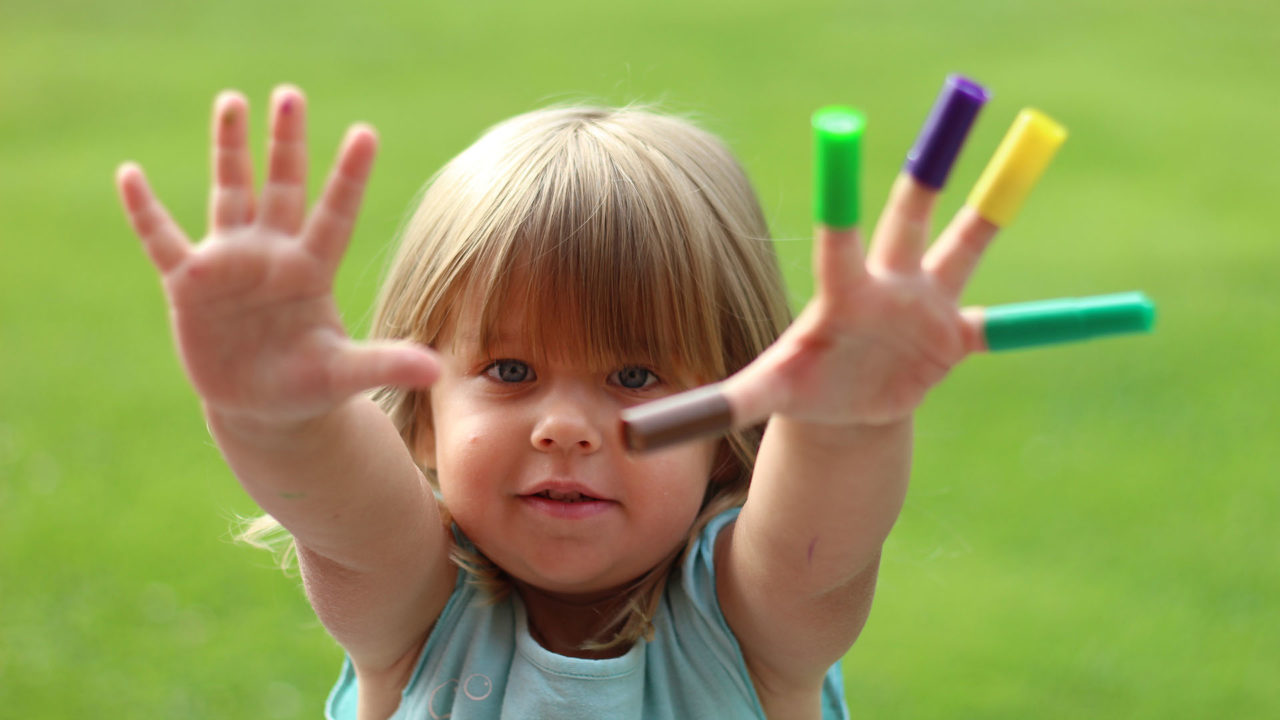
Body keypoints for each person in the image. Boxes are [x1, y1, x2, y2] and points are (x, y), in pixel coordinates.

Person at [115, 84, 995, 720]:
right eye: (508, 371)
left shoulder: (750, 624)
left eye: (636, 377)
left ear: (732, 432)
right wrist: (276, 411)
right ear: (420, 416)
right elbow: (337, 500)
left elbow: (823, 547)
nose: (565, 427)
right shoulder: (415, 603)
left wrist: (849, 423)